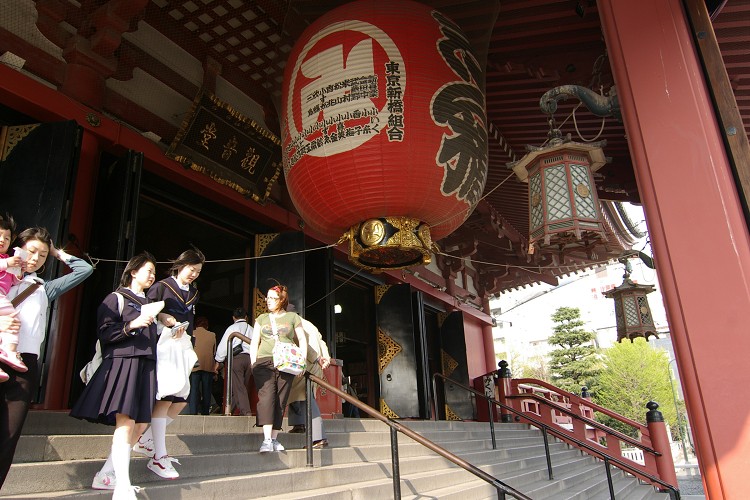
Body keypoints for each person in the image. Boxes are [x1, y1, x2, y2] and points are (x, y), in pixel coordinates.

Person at [0, 227, 93, 488]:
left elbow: (84, 270)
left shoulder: (43, 288)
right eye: (31, 251)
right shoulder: (2, 275)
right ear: (17, 248)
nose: (36, 258)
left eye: (42, 255)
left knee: (8, 437)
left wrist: (56, 251)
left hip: (24, 365)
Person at [69, 252, 159, 499]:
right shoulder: (117, 298)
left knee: (140, 424)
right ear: (133, 271)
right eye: (148, 270)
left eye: (154, 272)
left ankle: (106, 474)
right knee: (126, 421)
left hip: (146, 364)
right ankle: (122, 485)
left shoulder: (149, 303)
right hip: (124, 363)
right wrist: (132, 325)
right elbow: (105, 333)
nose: (152, 276)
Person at [133, 248, 203, 480]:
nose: (194, 275)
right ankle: (159, 456)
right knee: (165, 398)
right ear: (181, 265)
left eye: (198, 272)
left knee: (181, 400)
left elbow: (191, 322)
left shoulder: (193, 293)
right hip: (163, 347)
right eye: (192, 269)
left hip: (182, 348)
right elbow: (147, 312)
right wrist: (165, 319)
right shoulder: (162, 287)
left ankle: (146, 440)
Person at [249, 284, 307, 453]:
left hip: (286, 362)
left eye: (273, 298)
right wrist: (253, 362)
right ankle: (266, 439)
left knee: (281, 400)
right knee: (267, 398)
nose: (268, 301)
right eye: (267, 298)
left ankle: (274, 438)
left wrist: (302, 360)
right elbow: (254, 342)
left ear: (282, 300)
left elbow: (302, 340)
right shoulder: (261, 319)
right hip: (264, 361)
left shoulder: (292, 317)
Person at [287, 317, 331, 448]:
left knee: (306, 397)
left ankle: (318, 437)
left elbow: (303, 342)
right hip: (314, 363)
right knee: (297, 394)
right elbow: (321, 342)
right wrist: (326, 358)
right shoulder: (310, 324)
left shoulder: (291, 321)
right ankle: (299, 424)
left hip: (306, 363)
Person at [0, 214, 26, 380]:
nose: (2, 240)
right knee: (12, 318)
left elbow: (14, 282)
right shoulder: (6, 260)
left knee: (12, 322)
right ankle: (9, 351)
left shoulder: (8, 259)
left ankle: (8, 352)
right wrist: (7, 263)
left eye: (7, 238)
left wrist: (20, 272)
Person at [215, 307, 253, 416]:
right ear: (246, 317)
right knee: (241, 386)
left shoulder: (232, 328)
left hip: (237, 359)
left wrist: (218, 361)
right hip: (250, 359)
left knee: (238, 386)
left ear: (233, 318)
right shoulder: (252, 329)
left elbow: (223, 347)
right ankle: (230, 410)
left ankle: (246, 412)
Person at [187, 316, 216, 415]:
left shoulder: (192, 334)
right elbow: (214, 351)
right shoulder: (212, 335)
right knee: (206, 390)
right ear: (206, 325)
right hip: (208, 365)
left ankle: (193, 412)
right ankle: (205, 412)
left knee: (194, 389)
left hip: (195, 364)